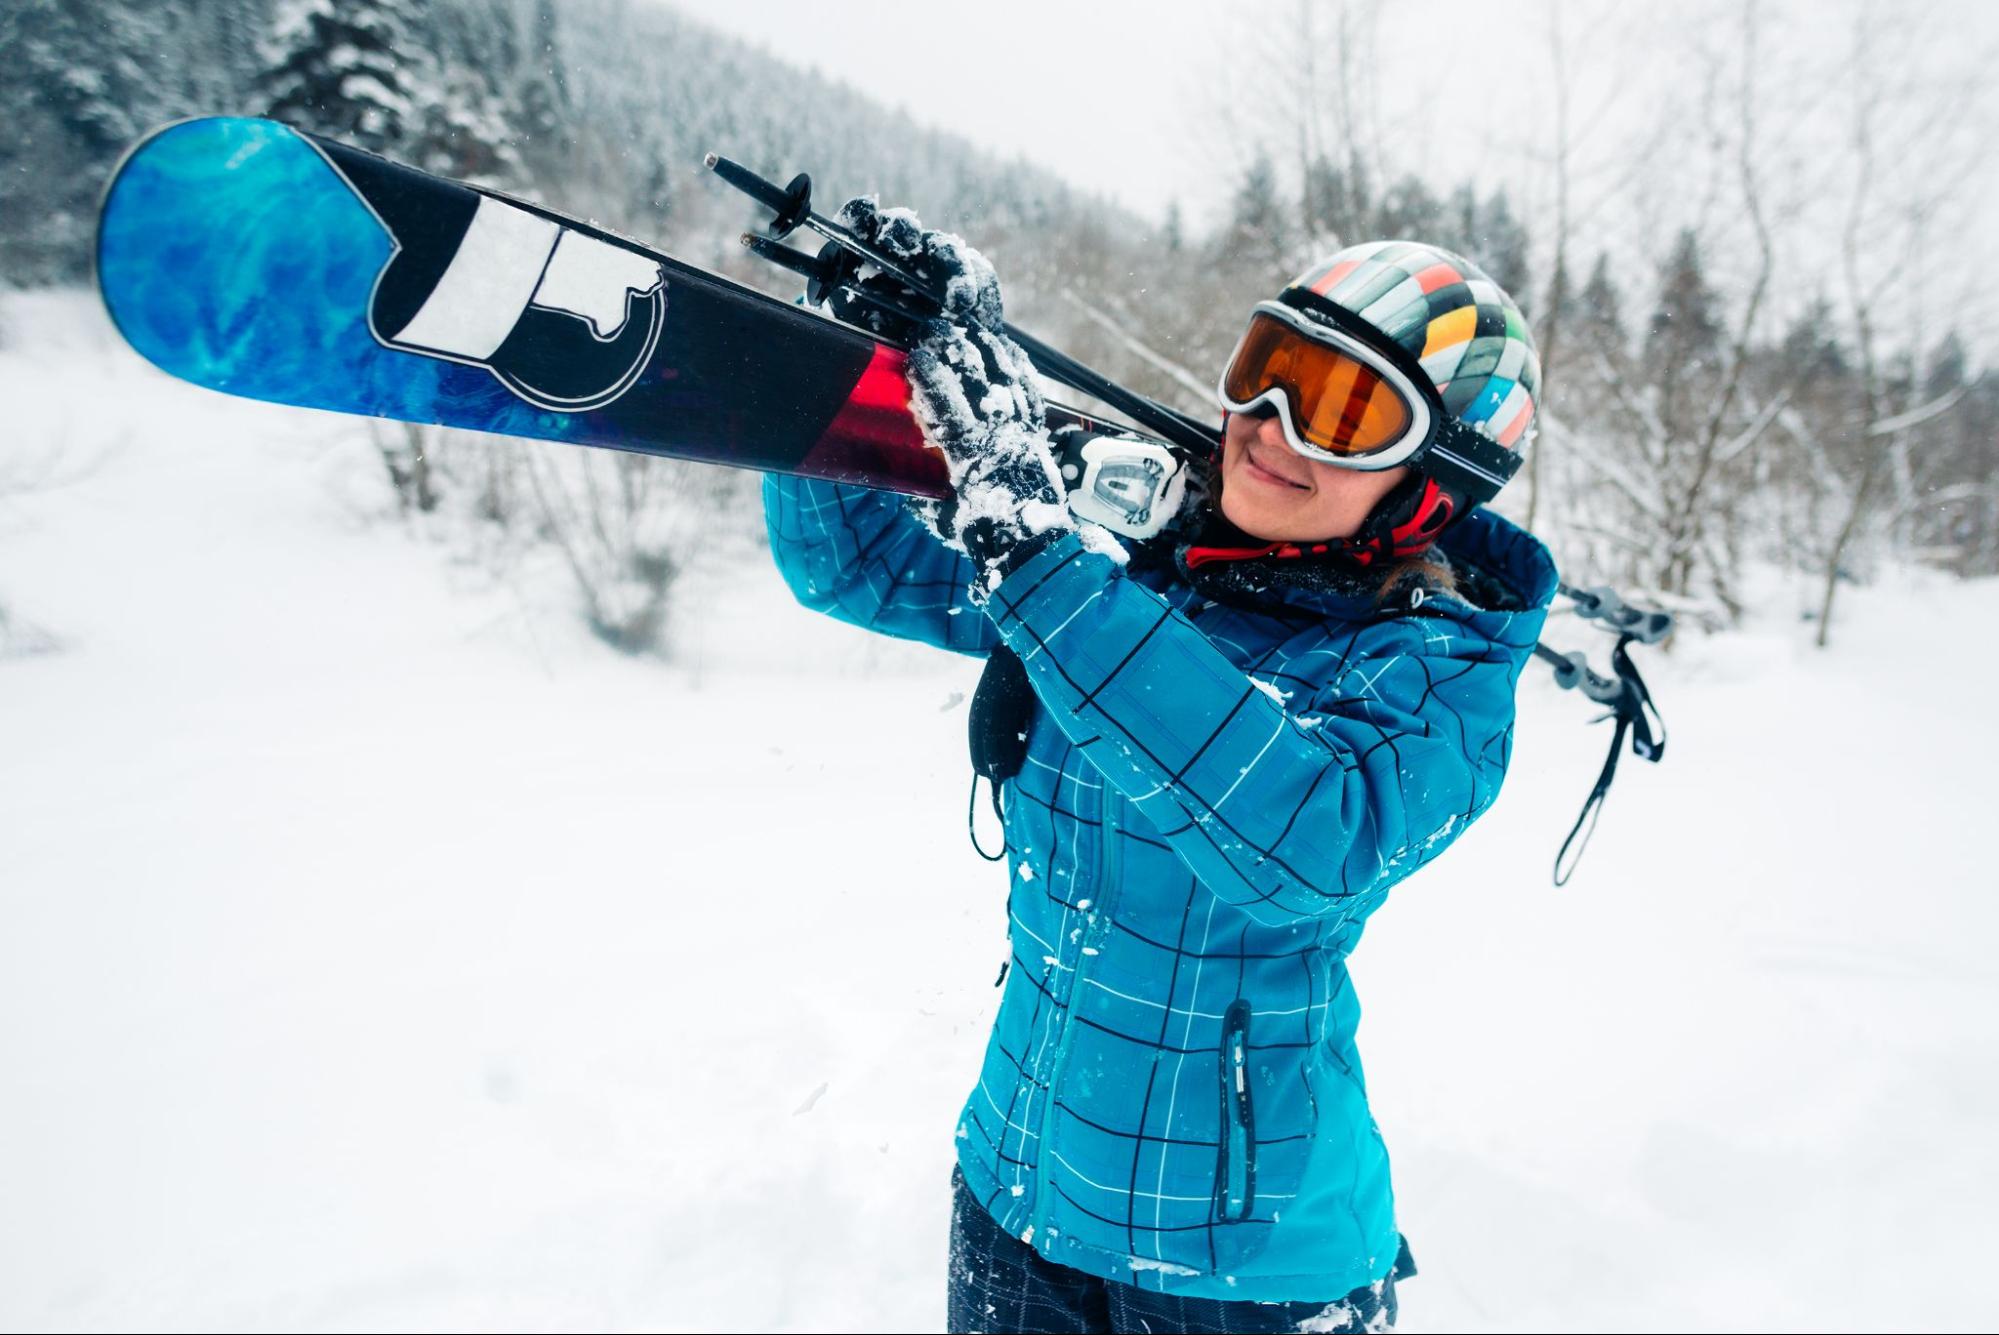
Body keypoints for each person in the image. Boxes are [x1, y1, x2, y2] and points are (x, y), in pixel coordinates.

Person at [763, 201, 1557, 1334]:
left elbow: (1306, 848)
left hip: (1244, 1273)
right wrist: (859, 367)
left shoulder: (1432, 670)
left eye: (1343, 412)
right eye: (1270, 368)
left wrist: (1035, 554)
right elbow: (857, 566)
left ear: (1433, 473)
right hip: (1017, 1193)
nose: (1272, 426)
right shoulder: (1138, 575)